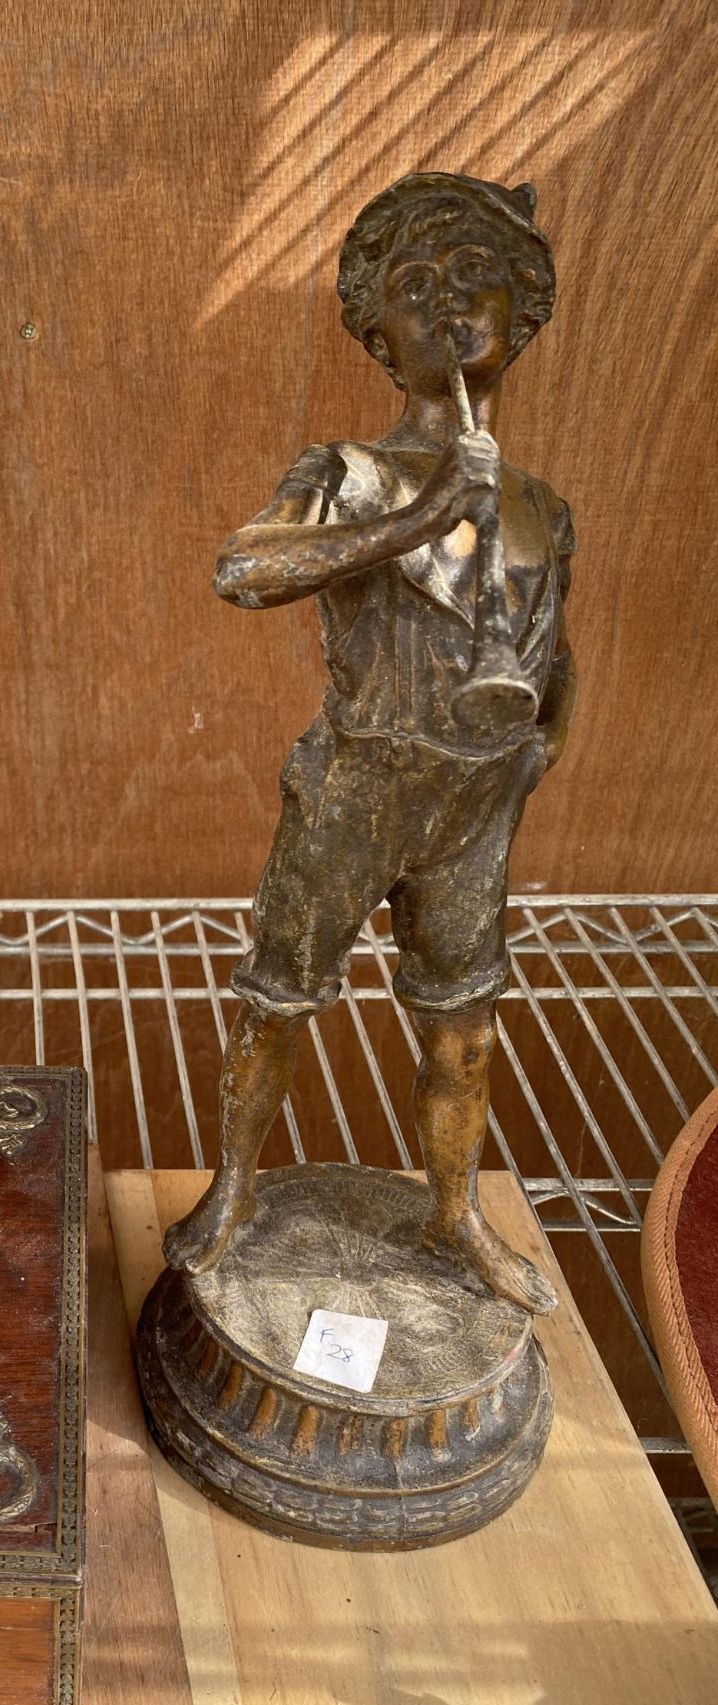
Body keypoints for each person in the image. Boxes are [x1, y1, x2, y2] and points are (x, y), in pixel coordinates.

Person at [164, 173, 577, 1315]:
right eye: (415, 285)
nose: (450, 302)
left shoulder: (543, 504)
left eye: (475, 276)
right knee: (279, 998)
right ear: (376, 331)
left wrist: (540, 750)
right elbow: (244, 571)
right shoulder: (345, 473)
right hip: (357, 783)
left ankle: (454, 1217)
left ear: (523, 309)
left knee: (464, 1029)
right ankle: (236, 1188)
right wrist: (424, 510)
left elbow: (557, 652)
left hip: (474, 805)